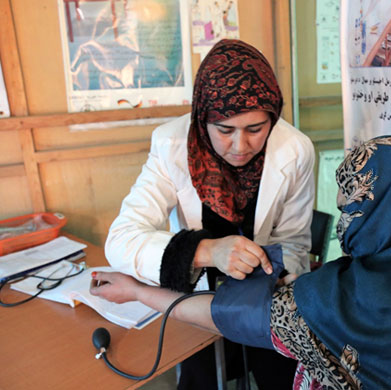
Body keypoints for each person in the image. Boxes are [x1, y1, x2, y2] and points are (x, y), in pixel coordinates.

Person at [93, 135, 391, 389]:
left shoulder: (336, 304)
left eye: (354, 211)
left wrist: (136, 291)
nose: (344, 227)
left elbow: (223, 312)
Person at [102, 39, 315, 389]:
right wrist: (208, 251)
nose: (240, 146)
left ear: (272, 117)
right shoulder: (170, 145)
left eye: (255, 129)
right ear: (203, 117)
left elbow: (292, 240)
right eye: (225, 130)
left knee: (283, 378)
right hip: (197, 298)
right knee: (199, 380)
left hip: (265, 298)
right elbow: (122, 239)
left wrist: (281, 276)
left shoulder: (295, 150)